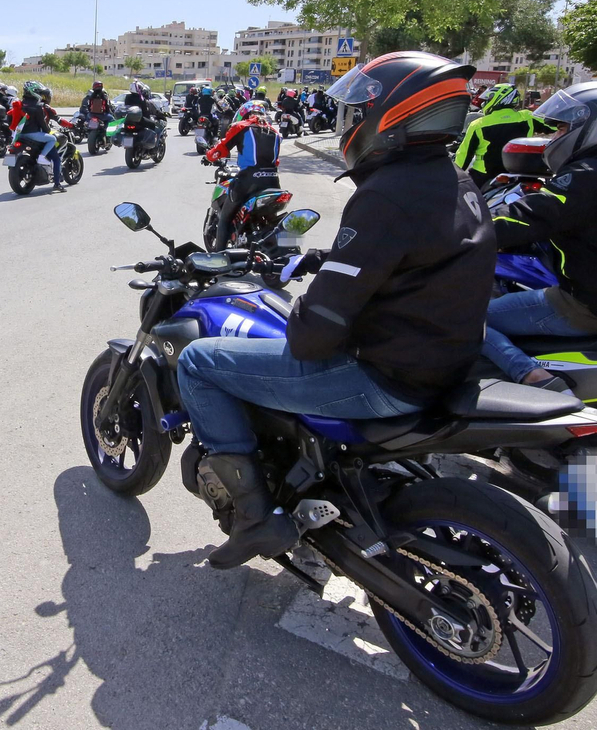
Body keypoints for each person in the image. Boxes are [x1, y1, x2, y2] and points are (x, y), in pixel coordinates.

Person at [176, 51, 494, 569]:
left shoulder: (387, 193)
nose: (352, 122)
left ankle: (255, 518)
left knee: (199, 361)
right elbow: (414, 256)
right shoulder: (452, 179)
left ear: (391, 115)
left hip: (386, 376)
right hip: (444, 360)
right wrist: (325, 258)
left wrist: (302, 309)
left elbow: (313, 336)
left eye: (360, 110)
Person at [482, 82, 597, 390]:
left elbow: (527, 217)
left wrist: (466, 227)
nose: (555, 137)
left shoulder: (587, 176)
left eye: (562, 128)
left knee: (463, 318)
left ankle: (532, 376)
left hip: (588, 306)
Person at [202, 100, 281, 247]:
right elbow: (275, 161)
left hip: (248, 181)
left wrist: (208, 156)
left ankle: (219, 255)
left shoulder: (241, 127)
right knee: (272, 220)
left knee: (225, 218)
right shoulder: (275, 133)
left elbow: (221, 149)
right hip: (273, 182)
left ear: (243, 114)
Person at [454, 82, 543, 186]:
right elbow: (553, 125)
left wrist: (453, 177)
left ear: (499, 98)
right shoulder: (528, 117)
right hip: (519, 175)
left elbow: (464, 156)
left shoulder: (478, 124)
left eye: (489, 99)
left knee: (464, 192)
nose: (485, 102)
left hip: (485, 176)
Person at [12, 80, 65, 192]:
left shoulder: (21, 104)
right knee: (54, 148)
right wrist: (48, 130)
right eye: (39, 92)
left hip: (20, 134)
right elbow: (43, 124)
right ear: (34, 92)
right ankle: (56, 183)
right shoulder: (37, 106)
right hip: (33, 134)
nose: (40, 94)